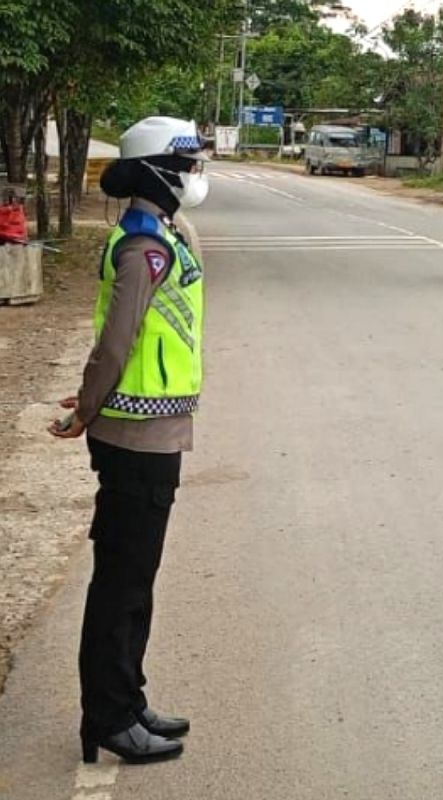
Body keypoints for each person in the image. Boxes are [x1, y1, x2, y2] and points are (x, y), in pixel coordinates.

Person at [49, 116, 208, 765]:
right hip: (134, 436)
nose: (198, 173)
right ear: (157, 170)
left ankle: (128, 698)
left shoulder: (162, 233)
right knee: (121, 581)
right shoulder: (144, 244)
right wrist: (86, 408)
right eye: (188, 162)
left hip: (153, 430)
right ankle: (109, 718)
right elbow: (116, 344)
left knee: (136, 580)